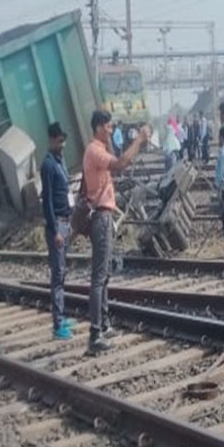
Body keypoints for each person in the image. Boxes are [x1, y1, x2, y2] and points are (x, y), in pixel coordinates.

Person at [83, 110, 151, 353]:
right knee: (99, 276)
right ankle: (94, 335)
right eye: (109, 127)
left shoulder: (99, 149)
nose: (112, 130)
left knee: (105, 274)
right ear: (99, 127)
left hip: (104, 215)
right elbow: (121, 164)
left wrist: (112, 140)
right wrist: (140, 139)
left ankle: (104, 323)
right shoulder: (94, 151)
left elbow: (116, 161)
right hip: (100, 216)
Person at [40, 122, 74, 340]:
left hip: (66, 222)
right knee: (58, 275)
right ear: (51, 140)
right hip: (57, 226)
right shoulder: (48, 165)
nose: (63, 145)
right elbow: (47, 202)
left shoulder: (60, 161)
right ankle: (58, 323)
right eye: (59, 141)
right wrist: (55, 231)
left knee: (62, 273)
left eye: (64, 141)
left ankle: (61, 316)